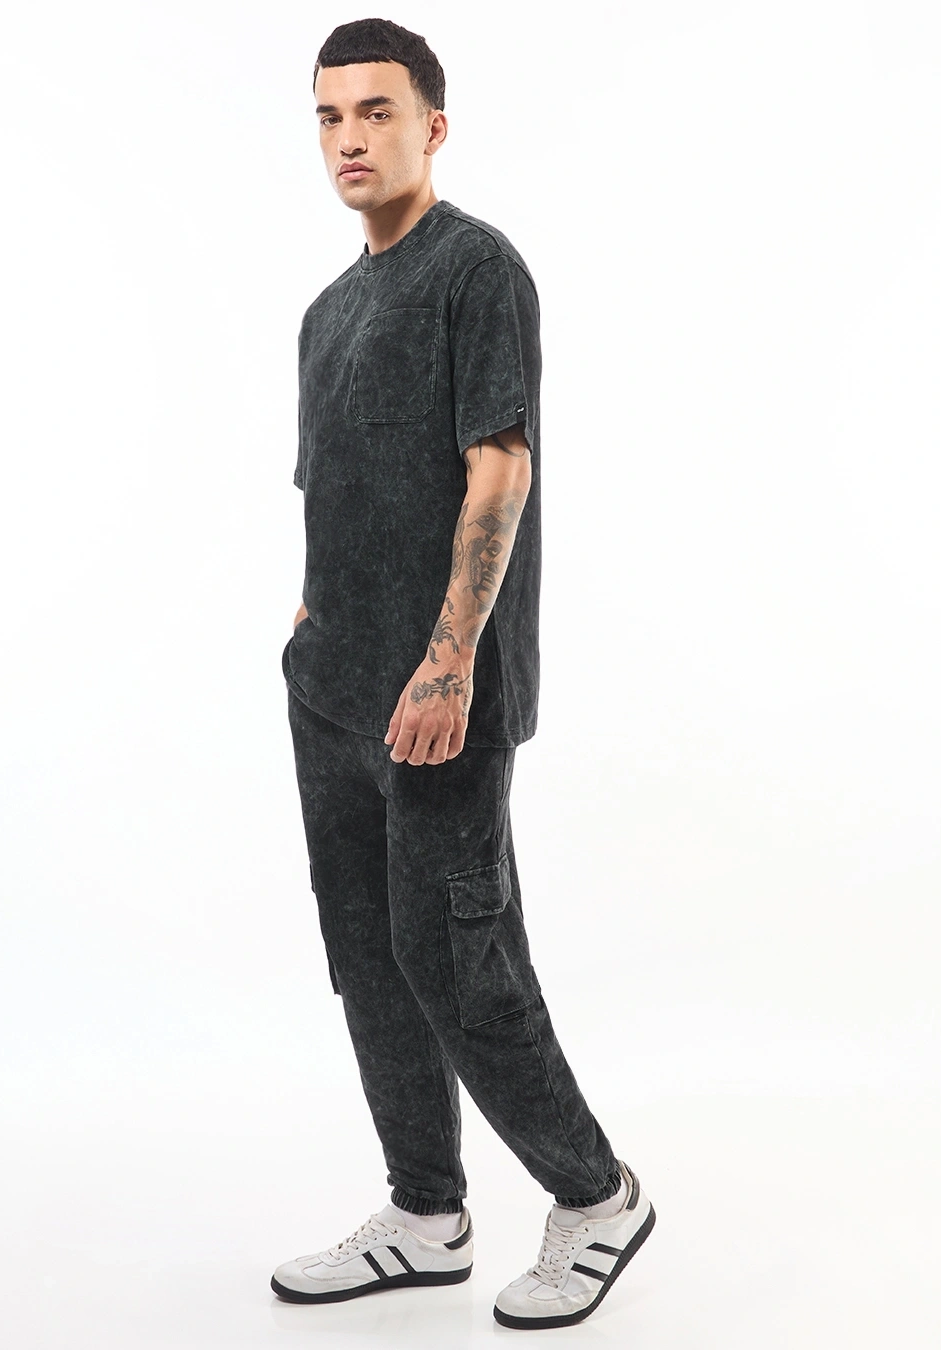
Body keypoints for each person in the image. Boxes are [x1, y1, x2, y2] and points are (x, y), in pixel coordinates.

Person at [272, 17, 656, 1330]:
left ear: (432, 126)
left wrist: (449, 666)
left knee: (456, 960)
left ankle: (596, 1195)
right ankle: (426, 1212)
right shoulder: (326, 313)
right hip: (328, 689)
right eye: (329, 116)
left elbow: (499, 471)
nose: (349, 138)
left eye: (375, 111)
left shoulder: (474, 270)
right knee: (369, 959)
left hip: (437, 697)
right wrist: (310, 626)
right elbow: (332, 494)